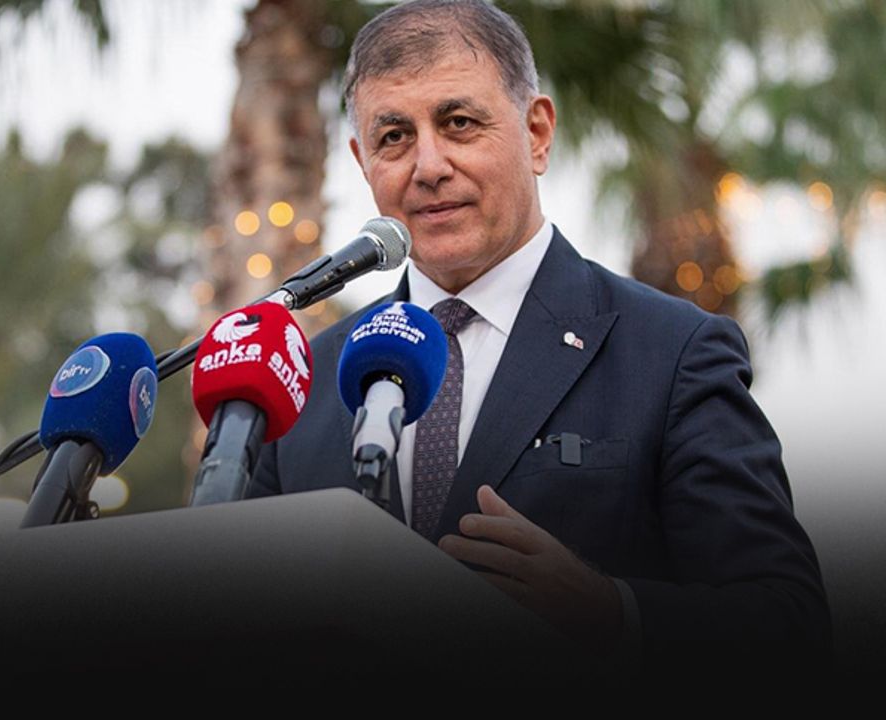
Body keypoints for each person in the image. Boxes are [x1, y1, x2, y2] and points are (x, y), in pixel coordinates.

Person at [248, 0, 830, 674]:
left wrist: (612, 612)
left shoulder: (673, 352)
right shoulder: (301, 381)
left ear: (537, 133)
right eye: (395, 136)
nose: (428, 166)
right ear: (362, 160)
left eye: (459, 123)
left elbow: (790, 625)